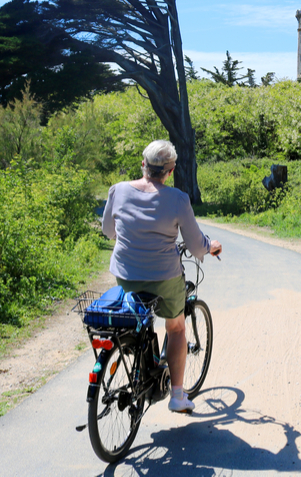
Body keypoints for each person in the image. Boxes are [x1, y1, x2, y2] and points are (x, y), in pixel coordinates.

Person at [101, 140, 222, 413]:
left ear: (143, 164)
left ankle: (137, 355)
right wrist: (210, 246)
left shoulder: (117, 191)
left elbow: (109, 231)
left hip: (126, 276)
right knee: (176, 327)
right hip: (164, 277)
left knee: (137, 319)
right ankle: (178, 397)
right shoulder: (178, 199)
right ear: (170, 171)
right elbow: (194, 245)